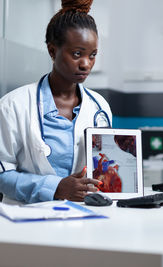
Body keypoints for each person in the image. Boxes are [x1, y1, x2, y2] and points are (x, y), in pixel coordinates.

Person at [0, 0, 112, 204]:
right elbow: (1, 174)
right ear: (52, 51)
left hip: (84, 217)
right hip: (26, 220)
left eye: (92, 55)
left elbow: (103, 168)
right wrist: (55, 188)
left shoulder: (100, 107)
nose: (86, 64)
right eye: (77, 54)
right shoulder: (13, 105)